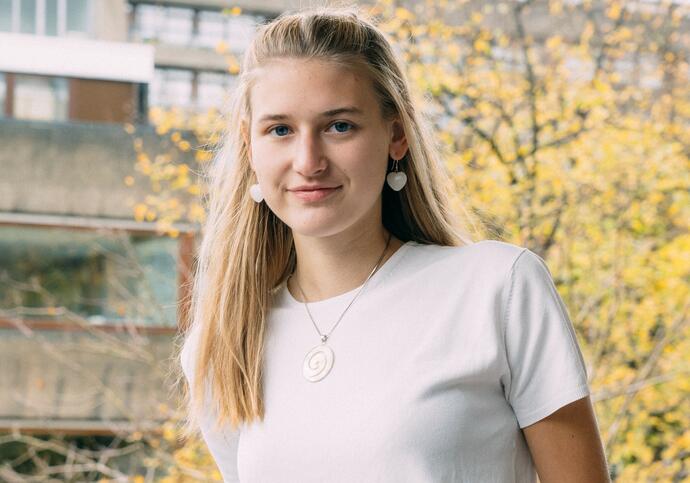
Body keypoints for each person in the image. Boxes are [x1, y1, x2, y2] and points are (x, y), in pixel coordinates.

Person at [178, 5, 610, 482]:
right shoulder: (222, 343)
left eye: (339, 126)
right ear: (249, 147)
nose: (308, 160)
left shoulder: (497, 289)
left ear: (396, 135)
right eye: (280, 130)